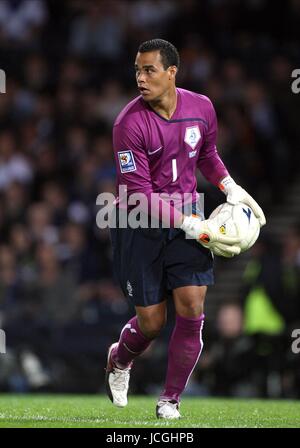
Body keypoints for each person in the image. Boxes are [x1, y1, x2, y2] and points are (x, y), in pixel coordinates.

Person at [105, 39, 266, 419]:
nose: (141, 79)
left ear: (172, 72)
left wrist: (229, 186)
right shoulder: (128, 124)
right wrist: (190, 222)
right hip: (139, 223)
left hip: (188, 218)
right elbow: (140, 195)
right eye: (137, 71)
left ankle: (170, 400)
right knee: (151, 323)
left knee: (193, 307)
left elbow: (207, 155)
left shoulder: (202, 107)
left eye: (149, 70)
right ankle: (120, 358)